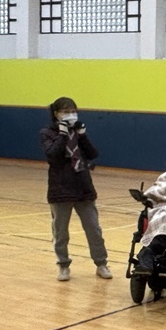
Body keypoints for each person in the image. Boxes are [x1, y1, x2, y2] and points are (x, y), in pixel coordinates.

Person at [40, 96, 112, 282]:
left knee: (94, 229)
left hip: (83, 187)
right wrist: (63, 135)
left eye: (73, 111)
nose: (70, 115)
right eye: (66, 112)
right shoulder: (48, 133)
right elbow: (53, 156)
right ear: (56, 113)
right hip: (60, 188)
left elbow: (93, 154)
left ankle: (101, 263)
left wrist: (83, 135)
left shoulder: (78, 132)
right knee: (61, 232)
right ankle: (63, 265)